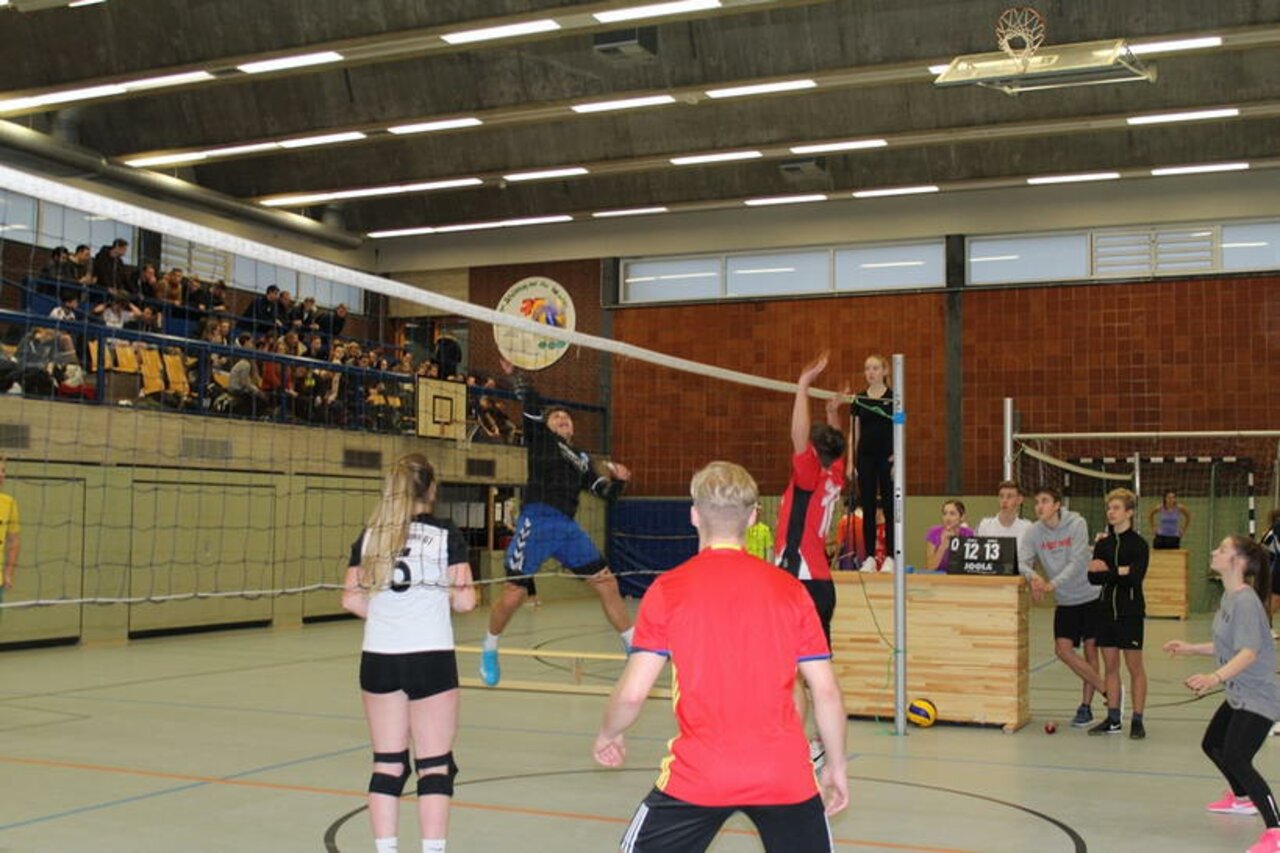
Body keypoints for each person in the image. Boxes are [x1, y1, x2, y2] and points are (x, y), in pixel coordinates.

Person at [594, 461, 848, 852]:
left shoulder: (668, 589)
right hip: (785, 775)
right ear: (752, 517)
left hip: (700, 773)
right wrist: (836, 765)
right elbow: (826, 692)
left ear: (694, 515)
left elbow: (631, 694)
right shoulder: (791, 590)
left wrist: (609, 733)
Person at [341, 454, 475, 853]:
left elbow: (350, 599)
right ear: (431, 490)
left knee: (387, 763)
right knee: (434, 767)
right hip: (430, 656)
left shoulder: (371, 535)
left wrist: (387, 615)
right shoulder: (445, 533)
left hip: (379, 658)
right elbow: (466, 603)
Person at [480, 359, 633, 687]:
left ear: (573, 428)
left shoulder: (582, 459)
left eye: (567, 417)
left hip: (566, 528)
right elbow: (533, 404)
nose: (562, 418)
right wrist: (516, 376)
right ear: (546, 426)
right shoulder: (540, 440)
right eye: (556, 417)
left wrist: (618, 480)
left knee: (607, 583)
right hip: (536, 521)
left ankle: (632, 645)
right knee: (513, 595)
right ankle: (490, 647)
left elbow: (605, 494)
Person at [1164, 536, 1280, 853]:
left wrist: (1213, 677)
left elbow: (1249, 653)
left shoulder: (1245, 600)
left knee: (1238, 758)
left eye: (1223, 549)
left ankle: (1276, 830)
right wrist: (1190, 648)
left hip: (1259, 697)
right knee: (1213, 744)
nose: (1215, 551)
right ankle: (1242, 799)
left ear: (1238, 562)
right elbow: (1227, 645)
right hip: (1239, 692)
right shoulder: (1230, 597)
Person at [773, 352, 846, 767]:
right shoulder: (834, 474)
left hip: (799, 582)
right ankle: (817, 744)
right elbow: (834, 445)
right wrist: (833, 412)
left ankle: (803, 746)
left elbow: (798, 437)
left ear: (813, 453)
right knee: (813, 672)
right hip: (820, 584)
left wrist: (802, 385)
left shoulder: (809, 475)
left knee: (794, 672)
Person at [1019, 486, 1111, 729]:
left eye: (1045, 501)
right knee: (1063, 650)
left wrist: (1051, 584)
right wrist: (1034, 578)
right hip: (1065, 601)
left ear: (1057, 504)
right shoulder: (1033, 532)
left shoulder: (1076, 523)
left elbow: (1078, 560)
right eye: (1037, 502)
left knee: (1092, 652)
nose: (1039, 506)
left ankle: (1086, 707)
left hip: (1090, 595)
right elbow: (1021, 561)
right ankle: (1108, 691)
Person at [1087, 488, 1150, 739]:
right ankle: (1113, 718)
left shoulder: (1139, 545)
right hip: (1105, 612)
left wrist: (1110, 571)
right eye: (1109, 508)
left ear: (1129, 512)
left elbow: (1135, 578)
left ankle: (1137, 719)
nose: (1111, 513)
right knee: (1110, 667)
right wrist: (1119, 571)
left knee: (1135, 667)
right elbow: (1093, 577)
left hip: (1130, 612)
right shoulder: (1103, 544)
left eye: (1116, 508)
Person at [850, 353, 894, 572]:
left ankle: (890, 557)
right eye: (867, 368)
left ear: (885, 371)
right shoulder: (859, 399)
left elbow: (900, 428)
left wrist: (897, 457)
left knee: (889, 506)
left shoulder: (895, 398)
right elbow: (855, 434)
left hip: (887, 458)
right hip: (865, 458)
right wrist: (852, 461)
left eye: (875, 368)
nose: (871, 372)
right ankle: (868, 557)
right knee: (867, 506)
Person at [976, 480, 1033, 551]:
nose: (1004, 500)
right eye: (1001, 496)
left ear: (1019, 500)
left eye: (1009, 496)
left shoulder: (1027, 528)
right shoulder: (985, 525)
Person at [924, 500, 975, 571]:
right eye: (945, 513)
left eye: (952, 514)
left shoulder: (969, 533)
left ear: (962, 517)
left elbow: (972, 565)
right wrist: (942, 546)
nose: (947, 518)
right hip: (938, 577)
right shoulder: (934, 533)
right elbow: (929, 567)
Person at [0, 458, 20, 610]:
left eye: (3, 470)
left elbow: (14, 541)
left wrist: (8, 573)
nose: (1, 475)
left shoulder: (9, 503)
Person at [1263, 509, 1280, 617]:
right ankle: (1263, 626)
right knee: (1275, 598)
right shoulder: (1274, 531)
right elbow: (1263, 547)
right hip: (1277, 569)